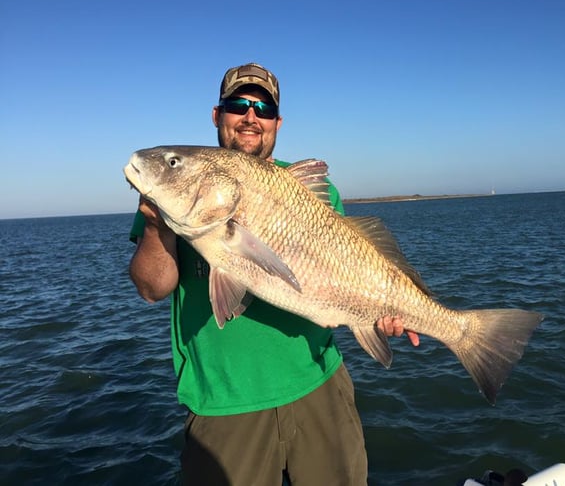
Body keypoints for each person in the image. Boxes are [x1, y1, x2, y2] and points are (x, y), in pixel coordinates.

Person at [129, 63, 418, 485]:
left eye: (262, 107)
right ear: (217, 115)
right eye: (238, 105)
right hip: (225, 405)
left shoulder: (315, 193)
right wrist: (156, 225)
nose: (250, 116)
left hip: (320, 387)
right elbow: (152, 288)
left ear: (276, 122)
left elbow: (352, 277)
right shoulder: (163, 206)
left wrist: (381, 313)